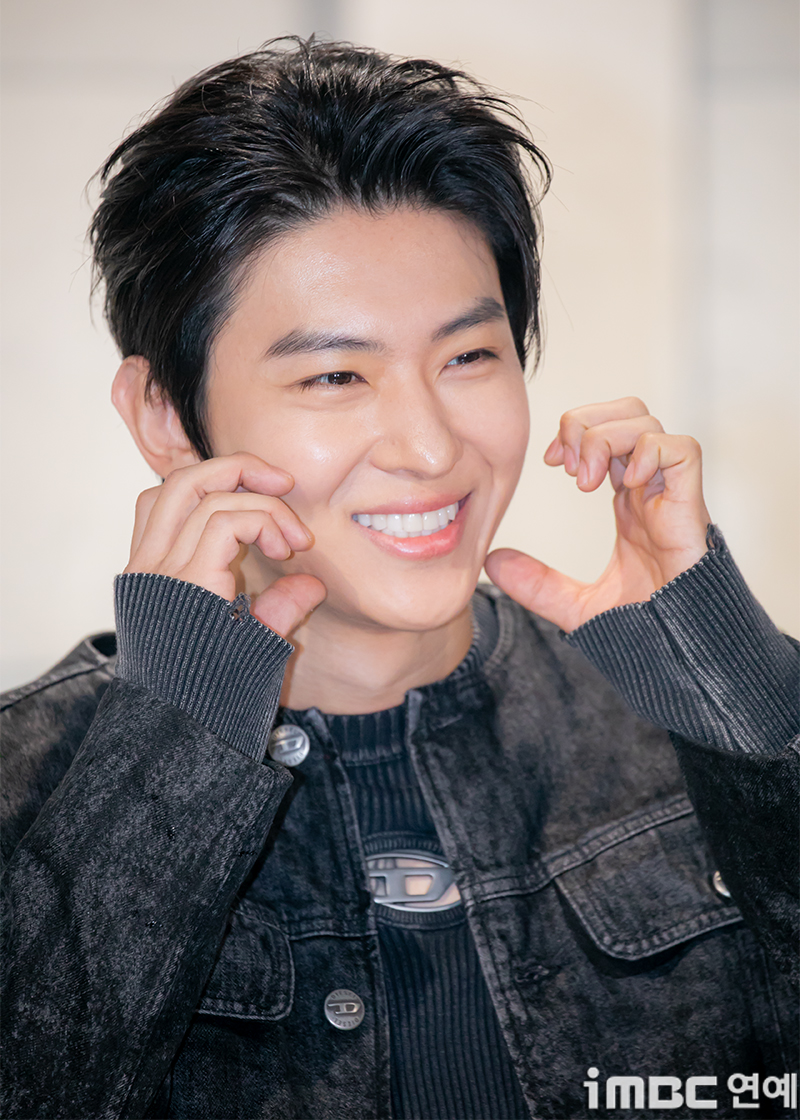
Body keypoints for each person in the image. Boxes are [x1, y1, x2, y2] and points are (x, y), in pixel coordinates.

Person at [1, 37, 797, 1120]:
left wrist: (745, 705)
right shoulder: (24, 783)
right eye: (336, 374)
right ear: (164, 416)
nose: (429, 448)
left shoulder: (680, 725)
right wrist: (168, 754)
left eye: (469, 357)